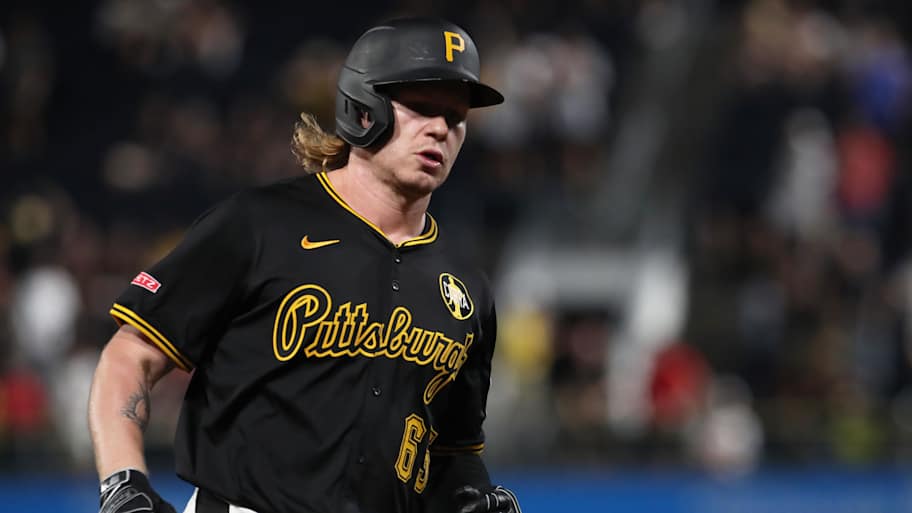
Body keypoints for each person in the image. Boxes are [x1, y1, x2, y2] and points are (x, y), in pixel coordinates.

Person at [88, 16, 522, 513]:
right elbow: (131, 355)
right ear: (365, 108)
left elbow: (453, 453)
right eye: (422, 107)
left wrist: (476, 500)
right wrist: (123, 483)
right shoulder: (260, 225)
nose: (441, 128)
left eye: (456, 116)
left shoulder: (466, 288)